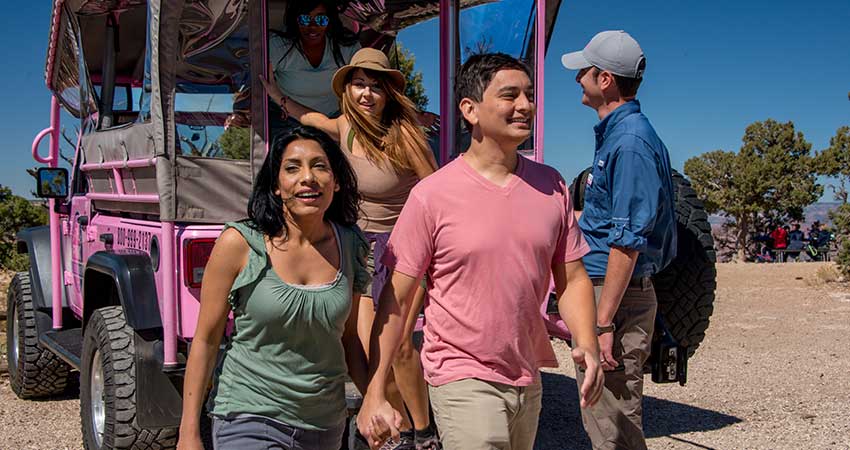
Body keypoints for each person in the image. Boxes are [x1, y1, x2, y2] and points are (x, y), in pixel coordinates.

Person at [357, 52, 605, 450]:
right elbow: (397, 300)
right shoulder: (432, 195)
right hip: (459, 375)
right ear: (470, 110)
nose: (525, 105)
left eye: (529, 94)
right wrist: (375, 388)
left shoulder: (551, 186)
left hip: (528, 377)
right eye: (510, 95)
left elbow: (573, 277)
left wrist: (587, 343)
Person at [265, 47, 440, 449]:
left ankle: (426, 434)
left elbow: (437, 191)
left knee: (397, 351)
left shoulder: (404, 134)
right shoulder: (344, 126)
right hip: (359, 250)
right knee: (365, 352)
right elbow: (307, 117)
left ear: (387, 94)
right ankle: (395, 428)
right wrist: (275, 95)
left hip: (402, 253)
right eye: (359, 84)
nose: (366, 94)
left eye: (375, 87)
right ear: (347, 90)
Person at [177, 126, 370, 450]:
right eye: (292, 168)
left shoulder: (349, 244)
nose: (307, 177)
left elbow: (349, 340)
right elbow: (206, 339)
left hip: (325, 424)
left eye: (320, 166)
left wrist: (374, 399)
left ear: (335, 182)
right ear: (277, 186)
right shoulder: (240, 243)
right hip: (249, 413)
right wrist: (188, 431)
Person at [561, 30, 677, 450]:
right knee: (602, 410)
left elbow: (627, 242)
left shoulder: (628, 143)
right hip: (609, 293)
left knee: (613, 421)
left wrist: (604, 323)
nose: (578, 80)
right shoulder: (620, 136)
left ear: (605, 79)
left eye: (584, 73)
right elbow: (604, 220)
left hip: (615, 298)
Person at [267, 0, 360, 136]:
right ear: (295, 20)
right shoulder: (278, 46)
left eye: (321, 19)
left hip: (334, 119)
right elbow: (261, 83)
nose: (312, 26)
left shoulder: (347, 47)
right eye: (304, 19)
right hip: (286, 118)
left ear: (330, 20)